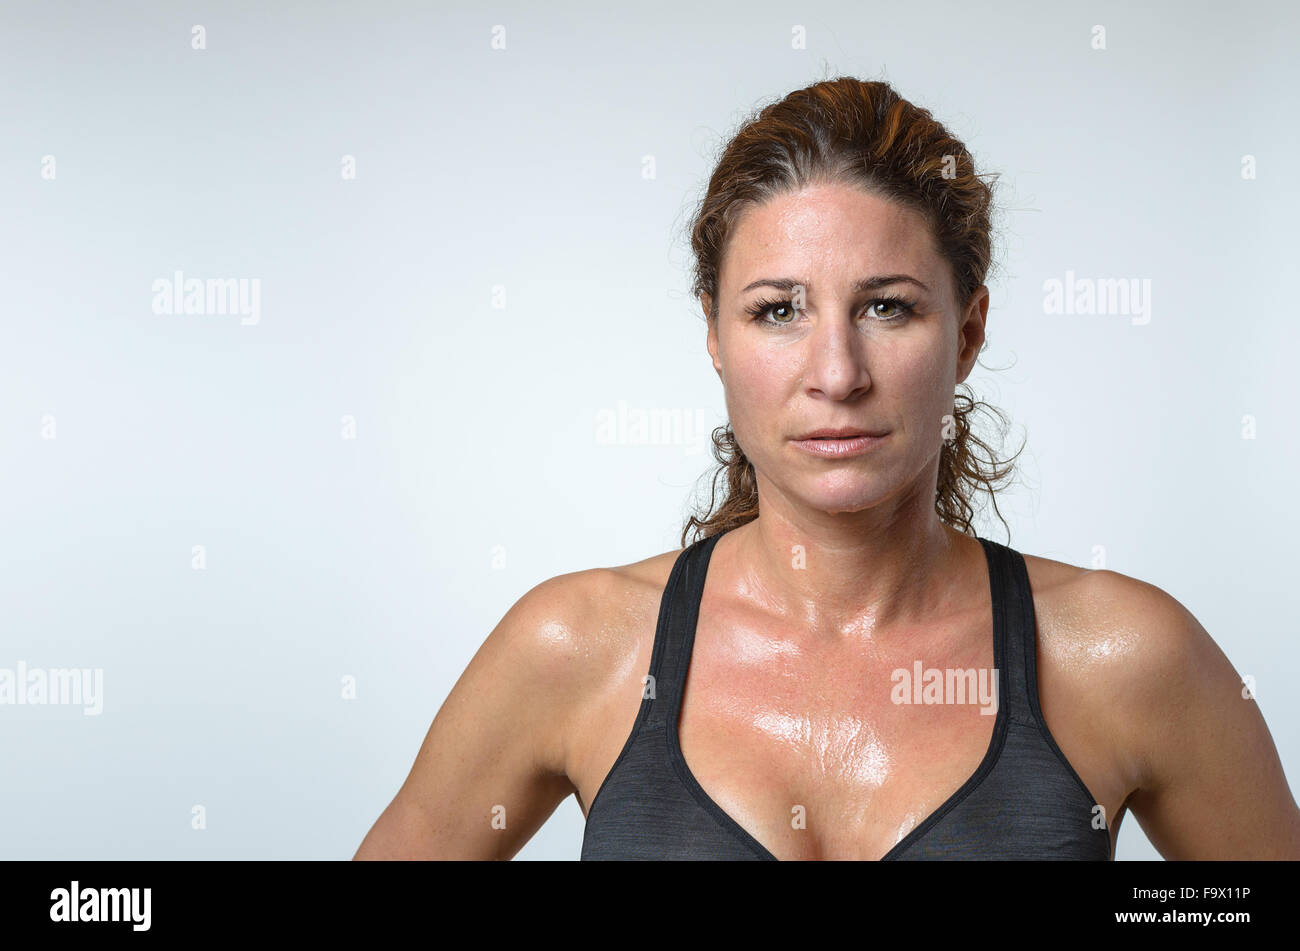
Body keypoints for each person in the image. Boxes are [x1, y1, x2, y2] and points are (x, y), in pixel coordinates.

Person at [353, 76, 1300, 860]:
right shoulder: (579, 648)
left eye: (887, 307)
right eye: (777, 311)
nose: (837, 373)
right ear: (716, 338)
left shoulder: (1124, 657)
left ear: (967, 333)